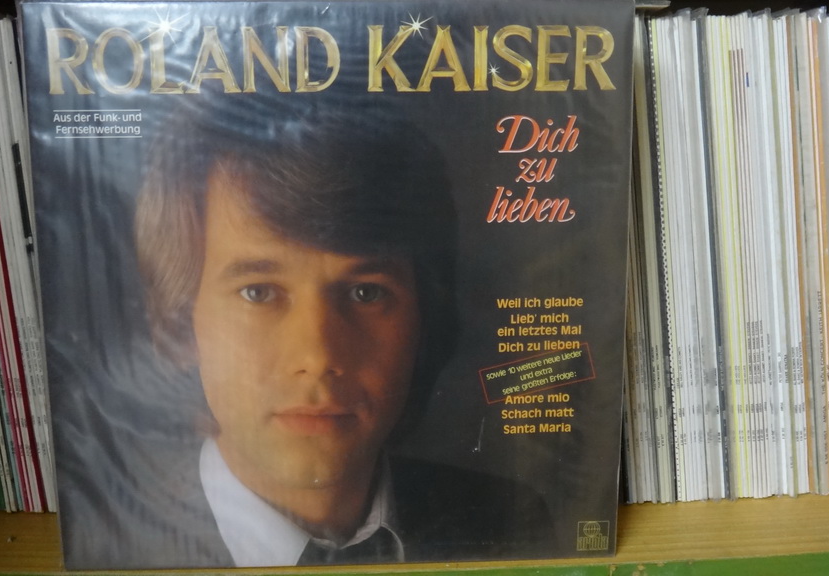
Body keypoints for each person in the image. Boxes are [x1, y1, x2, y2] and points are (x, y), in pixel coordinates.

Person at [56, 95, 555, 569]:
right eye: (258, 292)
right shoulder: (102, 545)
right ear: (181, 324)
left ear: (424, 322)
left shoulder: (509, 520)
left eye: (366, 292)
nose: (317, 356)